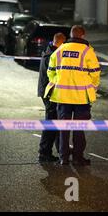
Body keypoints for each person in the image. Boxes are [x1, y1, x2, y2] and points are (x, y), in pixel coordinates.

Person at [44, 25, 101, 166]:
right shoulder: (88, 51)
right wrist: (91, 87)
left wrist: (58, 81)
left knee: (63, 128)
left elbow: (50, 72)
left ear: (70, 35)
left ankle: (63, 158)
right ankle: (77, 157)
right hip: (81, 98)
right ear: (82, 35)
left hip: (62, 96)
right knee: (78, 128)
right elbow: (95, 73)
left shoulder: (59, 50)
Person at [37, 32, 66, 163]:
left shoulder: (49, 51)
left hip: (47, 92)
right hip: (50, 94)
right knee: (51, 124)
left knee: (53, 123)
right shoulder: (52, 56)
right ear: (60, 42)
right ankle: (44, 152)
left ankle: (54, 151)